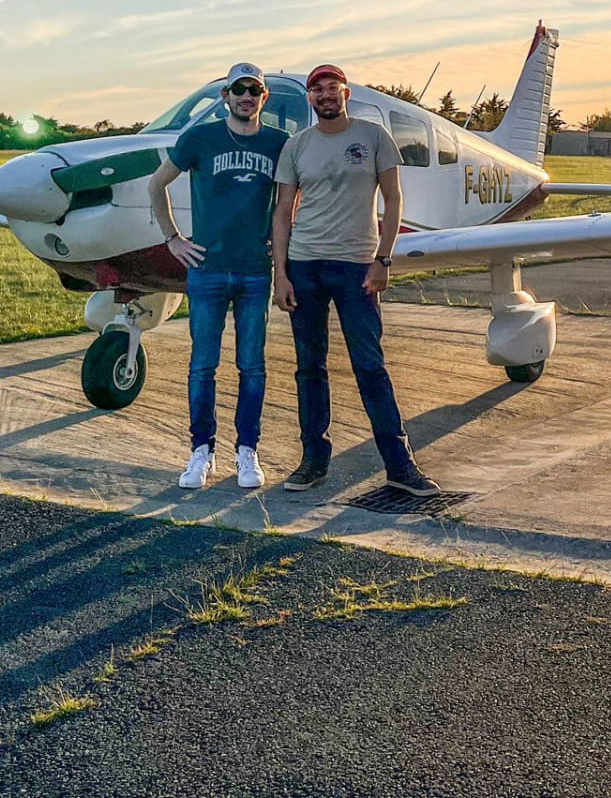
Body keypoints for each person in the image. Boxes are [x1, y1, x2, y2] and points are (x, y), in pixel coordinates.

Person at [271, 63, 438, 496]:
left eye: (333, 87)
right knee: (309, 368)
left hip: (356, 268)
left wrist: (383, 260)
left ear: (346, 94)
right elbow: (283, 211)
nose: (325, 95)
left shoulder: (372, 137)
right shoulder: (296, 146)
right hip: (305, 266)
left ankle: (400, 466)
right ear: (310, 99)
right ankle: (313, 460)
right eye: (317, 90)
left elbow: (393, 198)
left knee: (370, 365)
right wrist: (281, 274)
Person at [147, 62, 288, 491]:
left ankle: (248, 451)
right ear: (226, 95)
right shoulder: (200, 137)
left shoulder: (280, 143)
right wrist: (173, 239)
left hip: (253, 273)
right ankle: (200, 451)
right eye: (238, 89)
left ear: (264, 97)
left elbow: (289, 201)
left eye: (255, 90)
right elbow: (156, 186)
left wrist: (279, 244)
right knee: (202, 366)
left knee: (252, 367)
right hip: (206, 271)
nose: (247, 96)